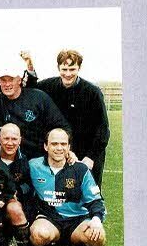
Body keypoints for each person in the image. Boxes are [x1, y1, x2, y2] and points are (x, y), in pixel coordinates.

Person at [0, 56, 71, 159]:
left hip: (37, 159)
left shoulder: (39, 97)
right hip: (10, 160)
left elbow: (62, 126)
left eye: (11, 80)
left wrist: (68, 151)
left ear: (19, 80)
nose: (7, 84)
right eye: (3, 80)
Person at [28, 127, 107, 246]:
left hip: (78, 220)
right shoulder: (33, 166)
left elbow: (96, 200)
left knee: (98, 238)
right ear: (46, 146)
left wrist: (96, 219)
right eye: (54, 144)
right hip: (50, 218)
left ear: (69, 147)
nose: (59, 148)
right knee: (39, 235)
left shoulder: (80, 169)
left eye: (63, 144)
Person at [31, 49, 111, 187]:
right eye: (64, 69)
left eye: (72, 69)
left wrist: (91, 157)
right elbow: (30, 89)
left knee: (88, 194)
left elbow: (103, 129)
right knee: (61, 192)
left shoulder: (93, 92)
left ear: (79, 68)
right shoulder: (47, 86)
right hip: (60, 152)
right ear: (58, 68)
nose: (68, 74)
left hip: (86, 154)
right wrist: (29, 64)